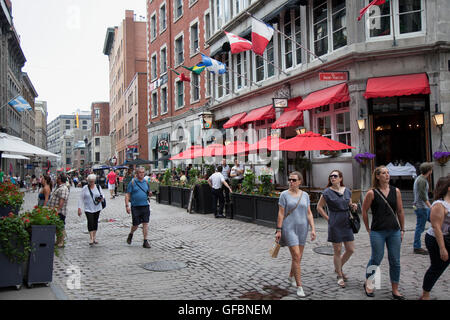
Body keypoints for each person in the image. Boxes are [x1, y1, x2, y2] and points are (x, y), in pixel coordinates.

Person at [362, 166, 406, 300]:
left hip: (394, 230)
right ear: (377, 176)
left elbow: (400, 211)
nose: (387, 175)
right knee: (376, 258)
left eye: (388, 173)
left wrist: (402, 229)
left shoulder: (396, 191)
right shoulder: (372, 193)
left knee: (395, 260)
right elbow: (364, 211)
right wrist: (368, 228)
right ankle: (368, 283)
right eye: (383, 173)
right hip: (378, 231)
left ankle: (395, 289)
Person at [275, 171, 316, 297]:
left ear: (300, 182)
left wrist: (313, 229)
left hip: (303, 228)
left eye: (294, 180)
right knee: (296, 256)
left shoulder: (305, 195)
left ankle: (291, 276)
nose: (291, 182)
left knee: (298, 257)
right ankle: (300, 286)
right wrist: (279, 229)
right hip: (289, 228)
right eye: (290, 180)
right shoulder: (284, 195)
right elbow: (281, 213)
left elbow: (309, 213)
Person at [317, 170, 358, 288]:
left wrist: (353, 206)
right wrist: (328, 218)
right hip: (335, 221)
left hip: (346, 220)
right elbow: (319, 207)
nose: (332, 178)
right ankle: (339, 275)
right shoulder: (327, 192)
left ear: (340, 178)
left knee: (350, 249)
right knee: (338, 250)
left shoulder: (347, 191)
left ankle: (338, 268)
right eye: (330, 176)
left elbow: (350, 205)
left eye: (335, 176)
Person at [419, 176, 450, 300]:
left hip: (448, 237)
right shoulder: (440, 205)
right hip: (436, 239)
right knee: (437, 267)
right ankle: (425, 294)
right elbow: (436, 227)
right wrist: (442, 248)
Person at [125, 167, 152, 249]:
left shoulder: (146, 182)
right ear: (136, 173)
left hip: (145, 205)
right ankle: (131, 233)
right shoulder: (132, 182)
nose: (142, 174)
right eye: (140, 172)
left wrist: (150, 194)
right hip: (135, 206)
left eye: (143, 172)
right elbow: (127, 195)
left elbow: (148, 192)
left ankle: (145, 241)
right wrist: (127, 206)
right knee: (136, 224)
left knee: (145, 223)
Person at [413, 162, 434, 255]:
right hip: (422, 207)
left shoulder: (421, 179)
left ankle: (439, 239)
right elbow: (422, 195)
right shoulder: (421, 180)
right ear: (429, 170)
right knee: (420, 227)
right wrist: (430, 206)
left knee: (435, 221)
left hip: (423, 207)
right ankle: (417, 247)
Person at [78, 174, 105, 246]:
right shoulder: (85, 188)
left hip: (97, 208)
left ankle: (94, 236)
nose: (91, 183)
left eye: (92, 181)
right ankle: (91, 237)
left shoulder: (98, 187)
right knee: (90, 221)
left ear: (94, 181)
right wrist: (79, 208)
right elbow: (81, 198)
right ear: (88, 181)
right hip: (88, 208)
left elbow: (103, 195)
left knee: (95, 221)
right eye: (90, 181)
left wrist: (101, 199)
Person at [47, 174, 70, 248]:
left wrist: (57, 210)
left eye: (57, 178)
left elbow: (62, 200)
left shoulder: (63, 188)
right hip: (54, 210)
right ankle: (58, 241)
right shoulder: (59, 187)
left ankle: (61, 242)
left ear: (60, 180)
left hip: (59, 211)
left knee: (60, 226)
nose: (56, 179)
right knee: (57, 226)